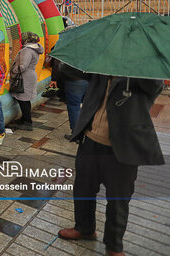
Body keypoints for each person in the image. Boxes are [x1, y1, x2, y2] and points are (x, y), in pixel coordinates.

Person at [58, 76, 164, 256]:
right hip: (90, 140)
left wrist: (132, 65)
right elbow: (68, 70)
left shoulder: (143, 72)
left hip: (122, 148)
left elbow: (154, 86)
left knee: (118, 199)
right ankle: (84, 228)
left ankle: (114, 245)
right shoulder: (101, 66)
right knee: (83, 189)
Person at [9, 32, 43, 130]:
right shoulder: (34, 49)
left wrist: (13, 70)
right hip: (29, 76)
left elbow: (23, 66)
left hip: (24, 77)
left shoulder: (27, 50)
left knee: (23, 100)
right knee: (25, 100)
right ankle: (25, 119)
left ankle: (27, 123)